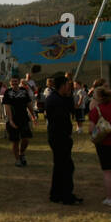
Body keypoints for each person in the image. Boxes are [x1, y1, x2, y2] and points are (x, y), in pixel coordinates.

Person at [45, 73, 80, 205]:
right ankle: (65, 195)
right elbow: (62, 118)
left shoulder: (60, 97)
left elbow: (71, 109)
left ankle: (56, 194)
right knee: (66, 166)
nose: (69, 87)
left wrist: (69, 95)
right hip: (59, 137)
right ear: (62, 86)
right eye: (67, 85)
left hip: (60, 136)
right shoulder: (55, 99)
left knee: (61, 166)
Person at [2, 74, 35, 167]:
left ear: (19, 82)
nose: (14, 83)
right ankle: (17, 160)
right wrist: (10, 120)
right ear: (10, 83)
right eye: (12, 81)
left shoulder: (24, 91)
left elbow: (29, 104)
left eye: (16, 81)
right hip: (13, 120)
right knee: (15, 141)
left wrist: (33, 116)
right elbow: (7, 106)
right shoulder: (7, 92)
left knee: (26, 139)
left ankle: (22, 153)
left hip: (24, 118)